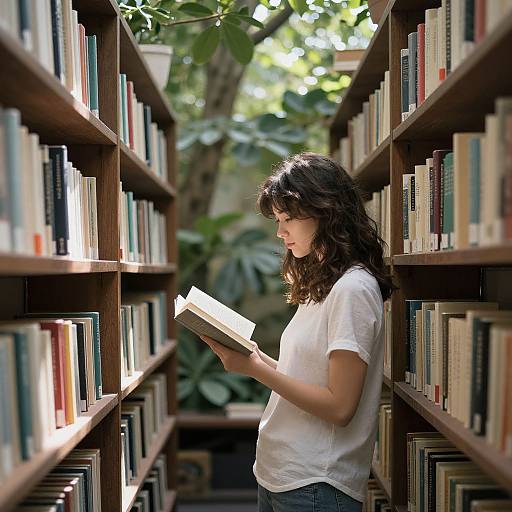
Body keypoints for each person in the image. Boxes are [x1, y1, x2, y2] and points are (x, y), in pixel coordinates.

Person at [200, 152, 393, 512]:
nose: (280, 231)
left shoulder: (353, 290)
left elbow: (339, 406)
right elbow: (308, 378)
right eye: (277, 219)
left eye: (288, 218)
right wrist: (258, 359)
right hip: (280, 472)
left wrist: (254, 369)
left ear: (326, 211)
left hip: (316, 483)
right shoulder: (322, 283)